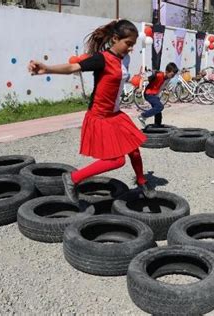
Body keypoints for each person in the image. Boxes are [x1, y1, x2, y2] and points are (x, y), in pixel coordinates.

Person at [28, 19, 155, 202]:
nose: (130, 48)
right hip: (101, 116)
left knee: (134, 149)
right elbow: (73, 67)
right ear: (115, 39)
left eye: (133, 45)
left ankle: (142, 182)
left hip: (115, 114)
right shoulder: (101, 59)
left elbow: (118, 80)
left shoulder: (123, 58)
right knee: (117, 160)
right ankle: (72, 179)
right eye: (128, 44)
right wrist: (46, 69)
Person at [137, 62, 179, 128]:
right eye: (172, 75)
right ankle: (143, 116)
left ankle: (157, 125)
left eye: (174, 75)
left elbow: (162, 85)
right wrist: (140, 88)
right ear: (167, 71)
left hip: (155, 95)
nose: (173, 77)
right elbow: (142, 79)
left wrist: (165, 91)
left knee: (158, 110)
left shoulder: (168, 78)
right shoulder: (158, 75)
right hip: (149, 94)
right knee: (160, 107)